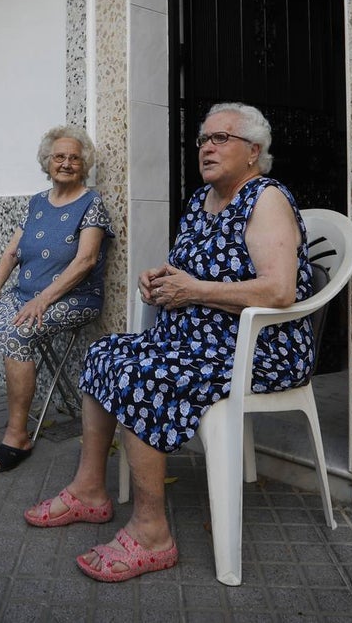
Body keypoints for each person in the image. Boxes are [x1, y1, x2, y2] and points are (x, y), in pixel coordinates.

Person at [23, 102, 315, 582]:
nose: (207, 146)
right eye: (203, 139)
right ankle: (90, 490)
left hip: (257, 349)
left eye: (221, 138)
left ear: (253, 152)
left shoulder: (266, 198)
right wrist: (162, 280)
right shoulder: (202, 201)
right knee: (105, 353)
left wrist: (194, 290)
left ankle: (151, 533)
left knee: (145, 375)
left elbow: (279, 290)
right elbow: (193, 274)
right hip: (194, 342)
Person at [0, 125, 115, 473]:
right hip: (26, 295)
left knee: (18, 337)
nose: (67, 163)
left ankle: (17, 435)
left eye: (75, 158)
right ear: (47, 162)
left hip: (73, 298)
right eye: (59, 157)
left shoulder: (92, 203)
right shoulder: (36, 202)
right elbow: (12, 251)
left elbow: (86, 260)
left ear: (84, 165)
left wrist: (44, 300)